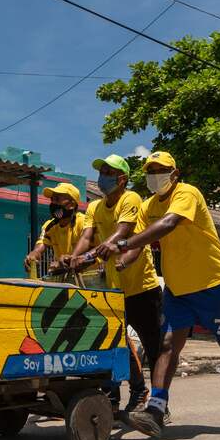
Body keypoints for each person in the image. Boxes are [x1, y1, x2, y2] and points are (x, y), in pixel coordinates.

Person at [113, 151, 220, 438]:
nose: (155, 174)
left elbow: (166, 225)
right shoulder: (147, 205)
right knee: (167, 345)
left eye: (160, 169)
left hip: (213, 285)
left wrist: (124, 242)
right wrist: (123, 258)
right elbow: (140, 243)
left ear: (174, 173)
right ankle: (155, 409)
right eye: (150, 170)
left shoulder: (187, 193)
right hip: (179, 291)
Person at [67, 154, 164, 413]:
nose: (103, 178)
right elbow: (87, 237)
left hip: (142, 288)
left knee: (154, 349)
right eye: (102, 172)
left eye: (109, 173)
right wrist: (74, 258)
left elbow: (122, 232)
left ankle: (159, 404)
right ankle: (130, 392)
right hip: (114, 291)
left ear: (122, 179)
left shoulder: (130, 198)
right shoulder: (95, 207)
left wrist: (88, 256)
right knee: (114, 345)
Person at [24, 182, 87, 275]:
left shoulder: (83, 223)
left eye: (57, 199)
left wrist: (66, 260)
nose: (53, 204)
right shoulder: (49, 226)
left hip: (90, 279)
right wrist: (33, 255)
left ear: (72, 204)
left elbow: (91, 250)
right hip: (67, 279)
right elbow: (40, 247)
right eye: (52, 199)